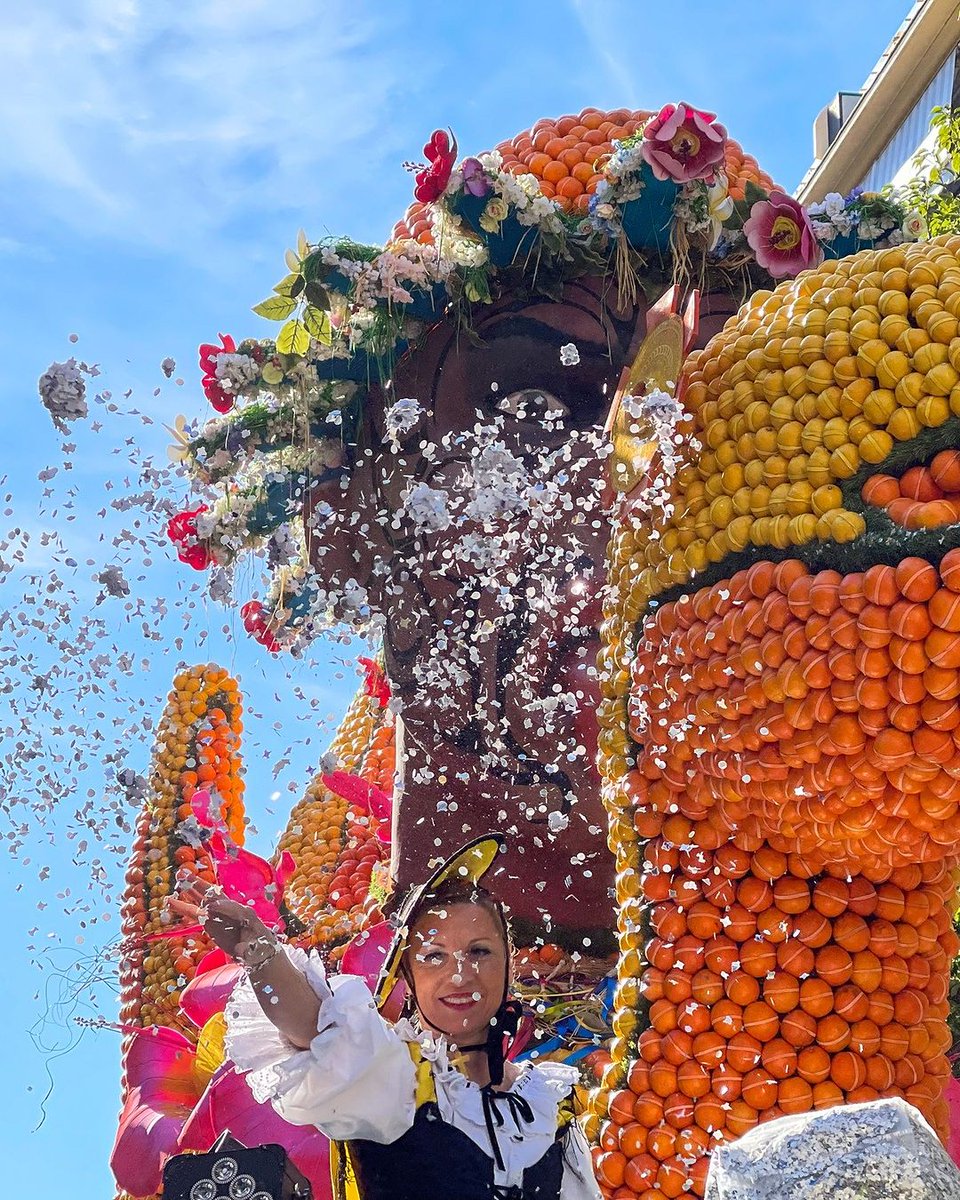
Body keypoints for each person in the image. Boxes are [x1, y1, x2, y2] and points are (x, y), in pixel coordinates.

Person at [170, 834, 602, 1200]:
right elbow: (311, 1028)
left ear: (508, 966)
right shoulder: (396, 1078)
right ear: (407, 979)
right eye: (434, 956)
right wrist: (259, 951)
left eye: (479, 952)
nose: (459, 973)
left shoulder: (554, 1098)